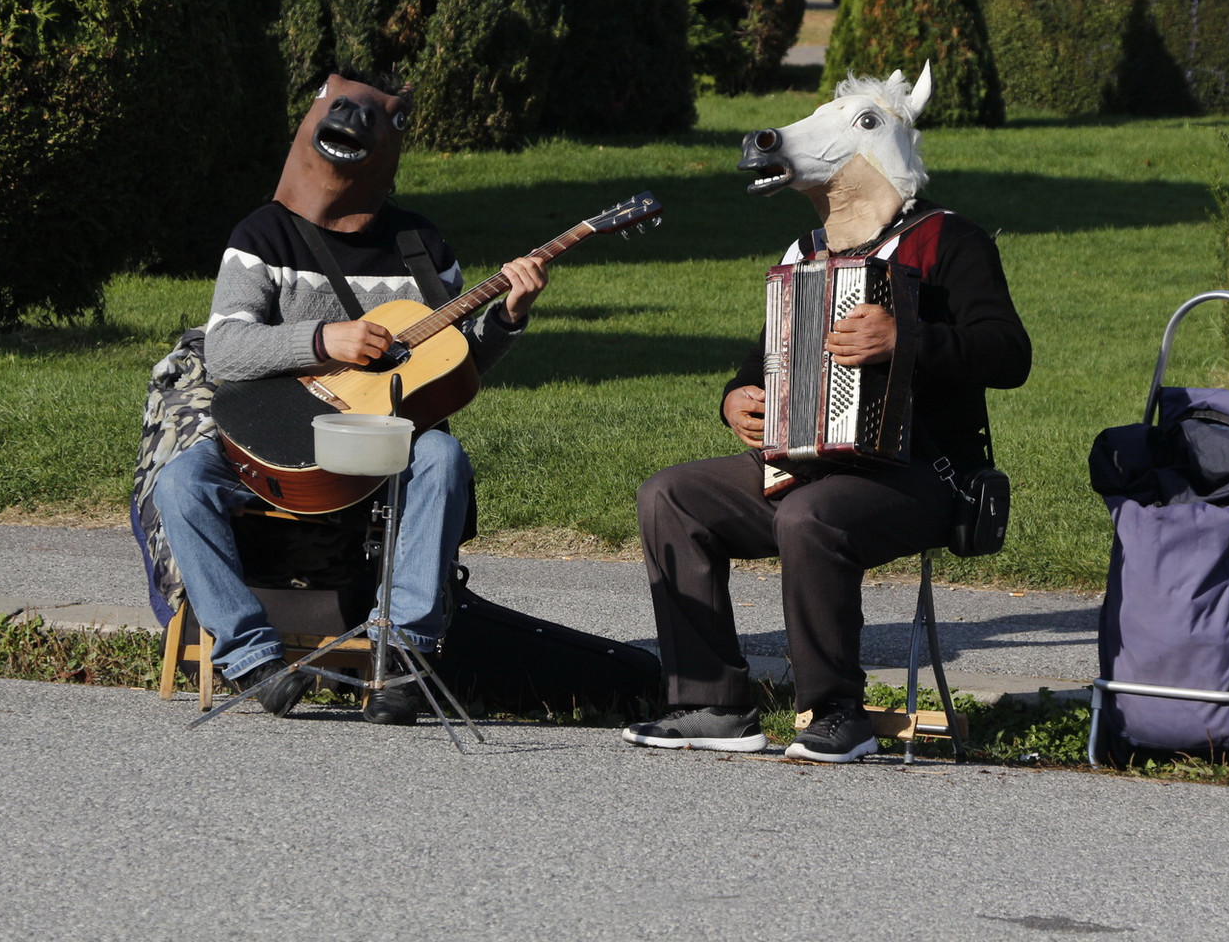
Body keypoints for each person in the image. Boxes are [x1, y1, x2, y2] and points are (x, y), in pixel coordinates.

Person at [622, 64, 1030, 763]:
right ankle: (713, 703)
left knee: (809, 517)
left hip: (925, 475)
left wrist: (909, 340)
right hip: (805, 466)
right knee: (672, 496)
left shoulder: (948, 241)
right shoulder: (805, 254)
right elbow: (762, 364)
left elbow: (1009, 354)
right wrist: (735, 400)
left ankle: (836, 712)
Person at [153, 70, 548, 723]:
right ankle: (252, 658)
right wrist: (321, 340)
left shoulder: (420, 245)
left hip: (383, 442)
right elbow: (226, 351)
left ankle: (404, 656)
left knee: (443, 460)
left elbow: (453, 364)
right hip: (275, 436)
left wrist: (508, 316)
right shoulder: (262, 236)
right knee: (183, 483)